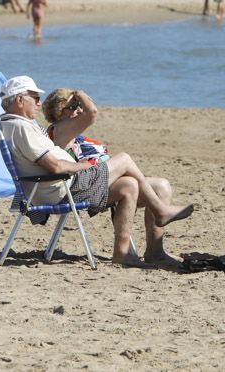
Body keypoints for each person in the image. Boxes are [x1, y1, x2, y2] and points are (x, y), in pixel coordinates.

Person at [0, 76, 194, 266]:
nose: (39, 104)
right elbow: (55, 166)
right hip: (63, 188)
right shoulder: (21, 127)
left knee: (129, 185)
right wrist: (86, 166)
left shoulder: (15, 125)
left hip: (59, 186)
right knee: (124, 159)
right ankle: (160, 211)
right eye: (36, 98)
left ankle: (125, 253)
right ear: (20, 100)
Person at [41, 87, 184, 265]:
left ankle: (155, 251)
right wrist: (81, 93)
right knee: (124, 161)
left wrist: (76, 100)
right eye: (74, 106)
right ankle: (160, 211)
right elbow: (92, 112)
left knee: (161, 185)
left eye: (79, 105)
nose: (80, 109)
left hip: (93, 184)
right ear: (59, 113)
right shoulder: (59, 130)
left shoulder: (73, 136)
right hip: (77, 188)